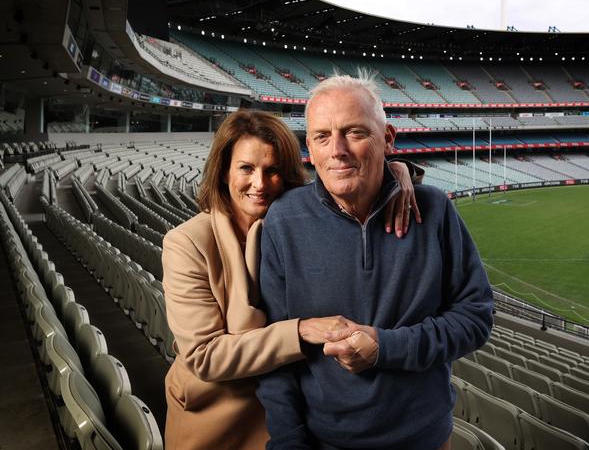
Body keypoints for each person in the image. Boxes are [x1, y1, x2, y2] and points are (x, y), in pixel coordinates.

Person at [257, 73, 494, 450]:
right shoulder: (284, 221)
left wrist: (386, 346)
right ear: (310, 149)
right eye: (322, 136)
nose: (337, 150)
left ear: (388, 139)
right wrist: (288, 443)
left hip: (425, 440)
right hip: (324, 442)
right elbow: (274, 351)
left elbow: (476, 316)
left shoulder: (434, 211)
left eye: (355, 132)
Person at [162, 110, 421, 449]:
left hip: (291, 414)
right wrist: (299, 330)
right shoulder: (187, 243)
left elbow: (348, 179)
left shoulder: (294, 223)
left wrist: (397, 172)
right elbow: (205, 356)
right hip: (218, 415)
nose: (260, 183)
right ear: (223, 171)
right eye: (246, 168)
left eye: (272, 171)